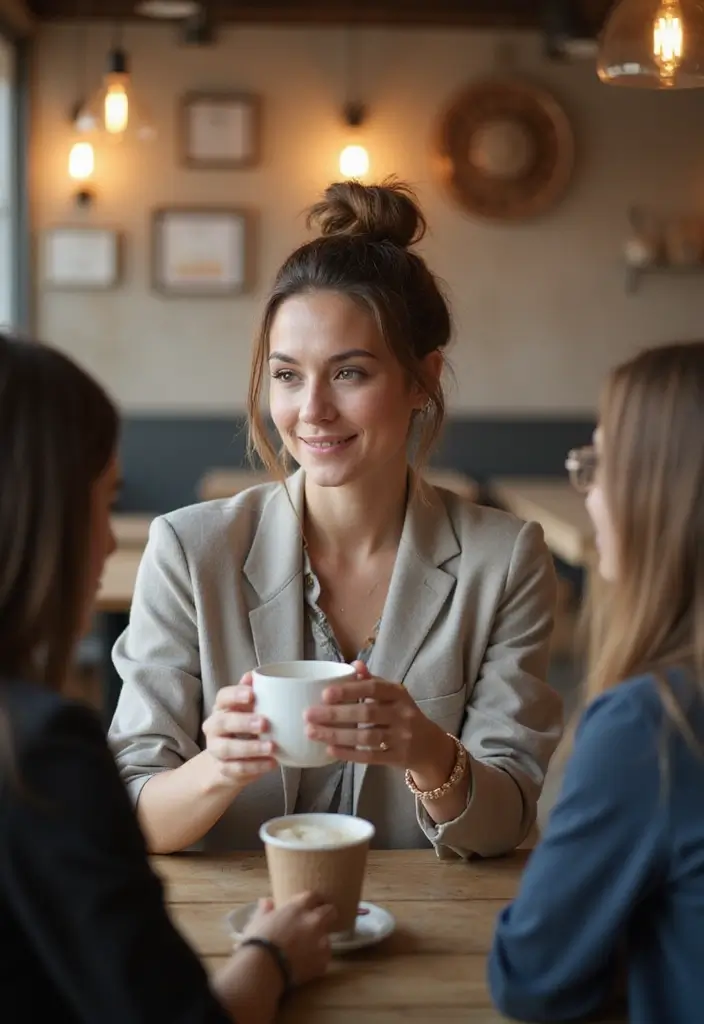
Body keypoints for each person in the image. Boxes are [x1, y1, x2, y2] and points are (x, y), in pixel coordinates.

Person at [109, 179, 562, 858]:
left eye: (349, 373)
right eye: (287, 375)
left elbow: (508, 822)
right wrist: (220, 767)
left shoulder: (504, 561)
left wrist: (428, 752)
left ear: (422, 380)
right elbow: (132, 815)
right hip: (239, 917)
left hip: (426, 920)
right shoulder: (188, 551)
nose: (312, 410)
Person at [0, 333, 335, 1024]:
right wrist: (270, 956)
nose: (106, 540)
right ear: (40, 515)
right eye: (102, 503)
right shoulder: (40, 756)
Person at [488, 341, 704, 1024]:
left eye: (603, 465)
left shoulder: (654, 723)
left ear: (660, 491)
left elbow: (532, 978)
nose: (591, 492)